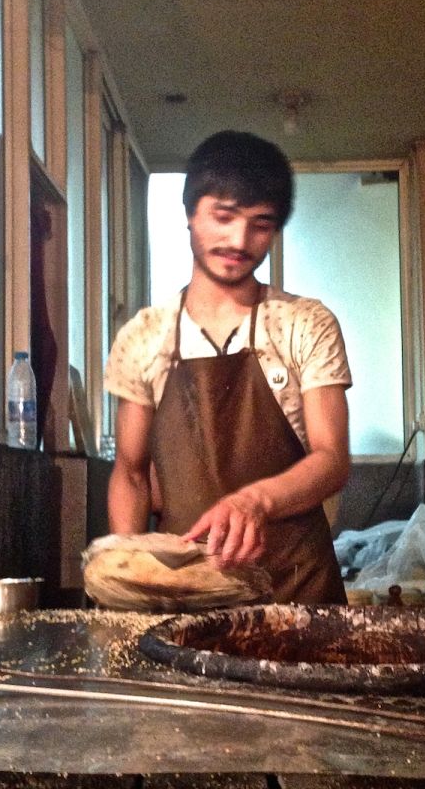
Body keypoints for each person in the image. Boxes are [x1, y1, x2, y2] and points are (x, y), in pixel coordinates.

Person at [104, 130, 352, 604]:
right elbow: (131, 473)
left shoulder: (305, 322)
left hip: (297, 588)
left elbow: (331, 460)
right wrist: (129, 571)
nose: (239, 240)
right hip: (188, 589)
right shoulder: (144, 336)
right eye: (223, 216)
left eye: (261, 224)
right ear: (190, 214)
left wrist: (253, 501)